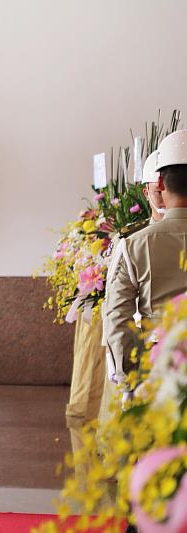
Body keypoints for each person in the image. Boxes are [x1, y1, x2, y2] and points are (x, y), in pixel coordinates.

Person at [105, 131, 187, 391]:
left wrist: (130, 380)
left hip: (158, 374)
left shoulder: (132, 245)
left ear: (160, 183)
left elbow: (118, 320)